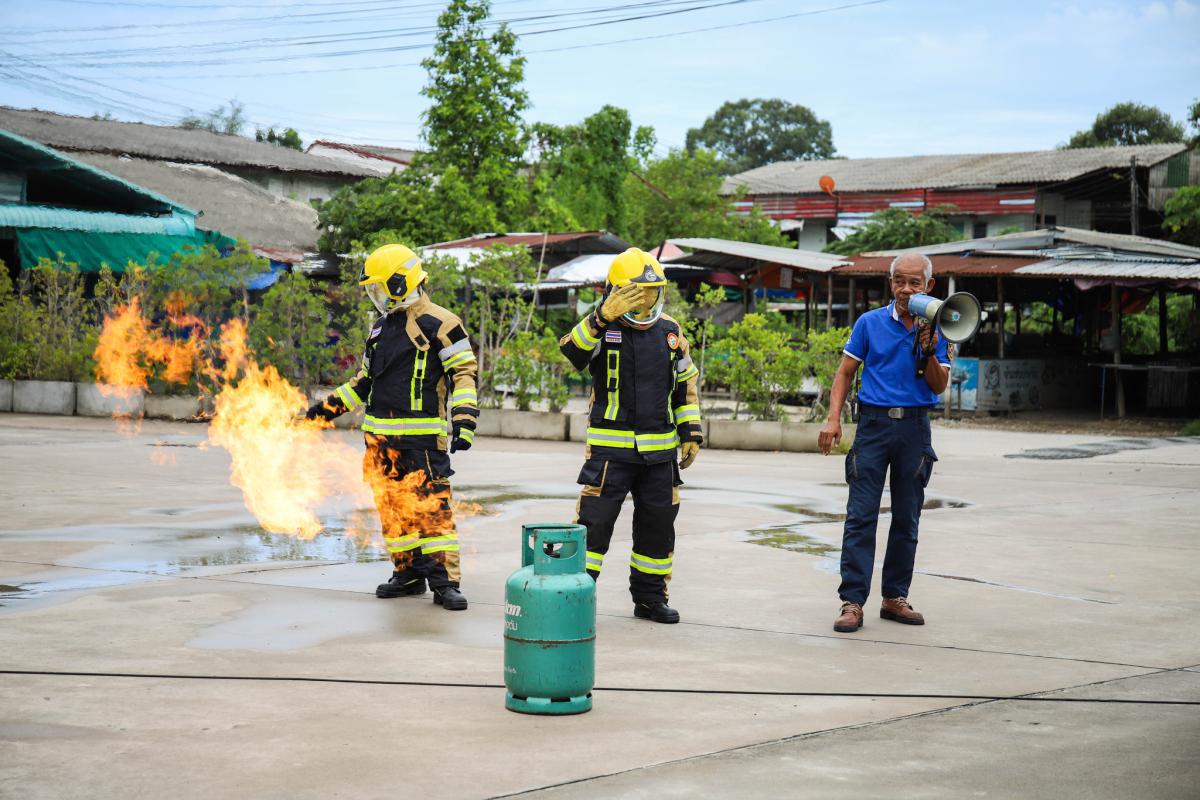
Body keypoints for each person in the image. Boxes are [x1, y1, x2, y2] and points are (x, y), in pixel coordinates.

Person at [307, 243, 478, 611]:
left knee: (432, 511)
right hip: (380, 443)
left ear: (401, 282)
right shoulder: (380, 329)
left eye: (380, 287)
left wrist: (464, 420)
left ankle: (445, 583)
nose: (377, 296)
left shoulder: (442, 323)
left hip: (422, 443)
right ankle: (408, 573)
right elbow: (363, 382)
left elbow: (464, 374)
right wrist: (322, 412)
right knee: (392, 511)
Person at [558, 248, 702, 624]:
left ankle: (651, 599)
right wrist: (601, 316)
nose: (645, 301)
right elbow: (572, 351)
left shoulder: (671, 333)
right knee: (594, 527)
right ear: (616, 292)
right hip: (609, 455)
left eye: (652, 293)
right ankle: (574, 600)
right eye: (637, 293)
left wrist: (691, 433)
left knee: (658, 528)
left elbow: (685, 387)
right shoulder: (601, 328)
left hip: (660, 457)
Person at [818, 253, 951, 633]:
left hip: (915, 429)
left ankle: (894, 598)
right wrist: (833, 418)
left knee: (907, 518)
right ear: (890, 283)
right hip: (873, 426)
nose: (906, 289)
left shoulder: (940, 327)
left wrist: (929, 351)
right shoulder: (869, 323)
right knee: (861, 516)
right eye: (899, 281)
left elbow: (938, 386)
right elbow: (845, 373)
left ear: (929, 286)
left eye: (915, 283)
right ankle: (852, 602)